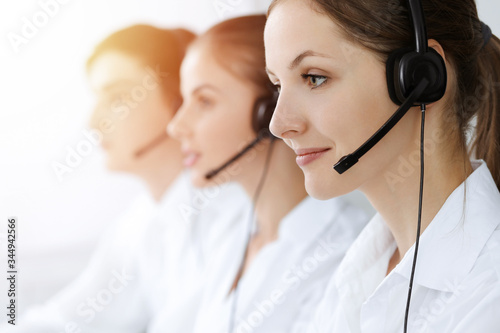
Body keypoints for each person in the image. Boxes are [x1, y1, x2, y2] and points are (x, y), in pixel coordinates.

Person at [264, 0, 500, 332]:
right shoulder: (359, 273)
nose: (278, 124)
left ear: (421, 79)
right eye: (277, 85)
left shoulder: (488, 298)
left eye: (314, 78)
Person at [3, 24, 249, 333]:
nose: (93, 121)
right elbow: (68, 318)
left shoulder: (234, 216)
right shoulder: (141, 219)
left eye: (118, 98)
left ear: (179, 102)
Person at [166, 14, 369, 333]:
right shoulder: (229, 232)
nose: (176, 127)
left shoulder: (343, 253)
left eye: (204, 101)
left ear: (268, 110)